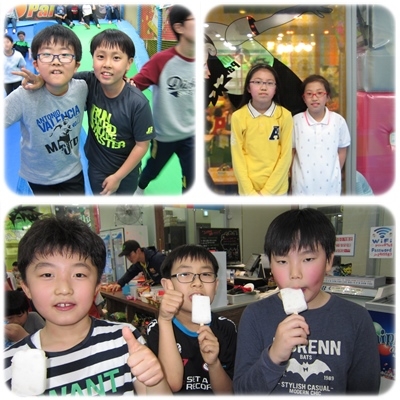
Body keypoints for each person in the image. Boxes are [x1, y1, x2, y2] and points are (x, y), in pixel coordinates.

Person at [3, 216, 171, 395]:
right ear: (26, 287)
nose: (64, 289)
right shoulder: (8, 365)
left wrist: (155, 380)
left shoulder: (125, 341)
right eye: (47, 275)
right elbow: (130, 273)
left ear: (97, 287)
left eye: (79, 275)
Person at [233, 208, 381, 394]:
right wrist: (273, 357)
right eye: (282, 261)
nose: (295, 274)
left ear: (329, 261)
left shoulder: (356, 319)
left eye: (308, 259)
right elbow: (241, 392)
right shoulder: (255, 316)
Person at [4, 25, 88, 195]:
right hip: (37, 177)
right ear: (35, 64)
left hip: (72, 171)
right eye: (47, 54)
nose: (56, 61)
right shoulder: (23, 96)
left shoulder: (83, 88)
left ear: (76, 65)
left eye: (65, 55)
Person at [146, 244, 237, 394]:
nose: (197, 283)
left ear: (216, 285)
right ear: (168, 285)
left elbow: (228, 393)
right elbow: (172, 385)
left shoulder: (227, 329)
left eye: (206, 274)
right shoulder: (157, 329)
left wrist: (214, 364)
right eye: (185, 274)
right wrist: (165, 321)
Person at [132, 5, 195, 195]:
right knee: (153, 169)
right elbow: (134, 86)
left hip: (191, 135)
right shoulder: (162, 61)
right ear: (179, 27)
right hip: (164, 135)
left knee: (191, 178)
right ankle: (140, 187)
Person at [230, 63, 293, 195]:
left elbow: (286, 156)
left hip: (277, 192)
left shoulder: (285, 115)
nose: (263, 87)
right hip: (248, 193)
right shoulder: (238, 117)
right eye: (258, 82)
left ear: (275, 88)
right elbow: (237, 158)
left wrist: (267, 192)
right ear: (248, 87)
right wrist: (250, 193)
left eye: (269, 83)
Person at [291, 74, 351, 195]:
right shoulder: (295, 121)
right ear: (304, 98)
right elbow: (291, 151)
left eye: (319, 93)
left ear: (327, 97)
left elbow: (342, 150)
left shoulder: (338, 121)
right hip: (302, 185)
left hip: (331, 185)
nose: (314, 98)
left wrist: (334, 171)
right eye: (309, 94)